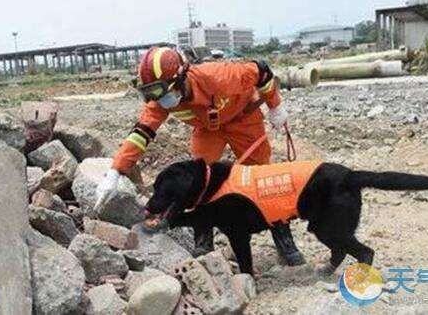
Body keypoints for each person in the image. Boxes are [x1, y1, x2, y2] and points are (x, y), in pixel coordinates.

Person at [95, 46, 305, 265]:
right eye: (152, 94)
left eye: (160, 92)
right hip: (207, 129)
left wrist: (275, 106)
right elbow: (141, 133)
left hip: (243, 120)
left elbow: (262, 71)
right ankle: (203, 242)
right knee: (199, 182)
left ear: (180, 78)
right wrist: (115, 171)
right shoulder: (161, 98)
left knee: (262, 180)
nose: (158, 100)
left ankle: (284, 240)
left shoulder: (222, 76)